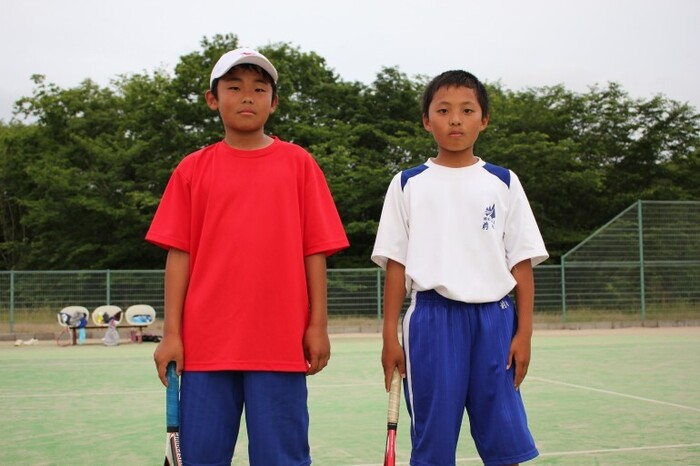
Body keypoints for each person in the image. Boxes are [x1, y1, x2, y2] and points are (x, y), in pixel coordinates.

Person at [146, 47, 349, 465]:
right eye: (234, 87)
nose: (247, 97)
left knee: (282, 457)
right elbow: (178, 256)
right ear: (212, 98)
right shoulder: (192, 169)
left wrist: (318, 325)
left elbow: (315, 253)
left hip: (280, 343)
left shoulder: (299, 164)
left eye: (259, 89)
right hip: (205, 347)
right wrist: (172, 333)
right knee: (200, 456)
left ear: (273, 102)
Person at [372, 70, 548, 466]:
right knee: (433, 441)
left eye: (467, 110)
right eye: (444, 110)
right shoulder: (407, 183)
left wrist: (525, 333)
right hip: (432, 321)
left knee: (504, 437)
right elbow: (396, 266)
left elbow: (521, 263)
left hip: (497, 320)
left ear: (483, 119)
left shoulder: (503, 182)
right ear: (426, 120)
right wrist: (388, 336)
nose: (455, 120)